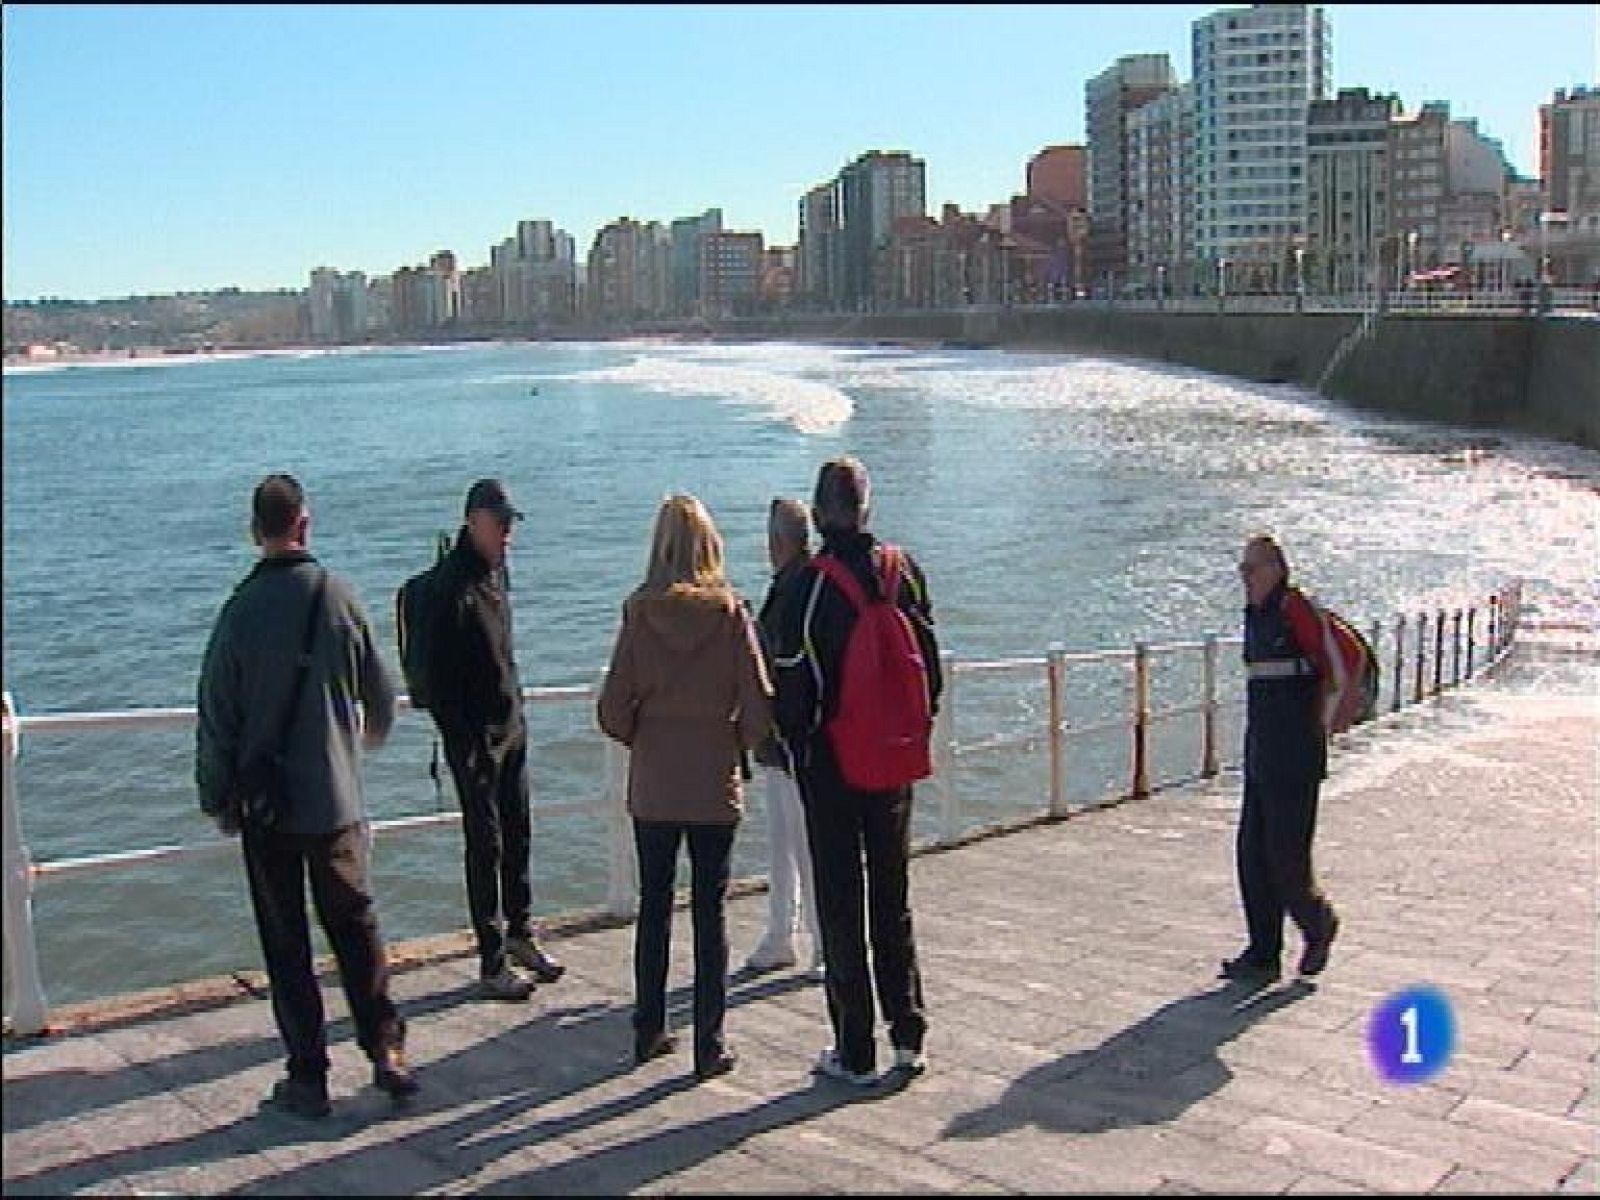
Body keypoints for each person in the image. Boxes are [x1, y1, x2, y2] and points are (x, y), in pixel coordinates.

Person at [196, 473, 417, 1119]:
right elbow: (381, 701)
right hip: (336, 802)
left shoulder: (238, 613)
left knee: (287, 942)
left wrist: (216, 799)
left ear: (255, 530)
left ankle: (309, 1076)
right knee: (356, 927)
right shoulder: (338, 597)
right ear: (304, 523)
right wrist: (355, 747)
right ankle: (386, 1052)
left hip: (269, 811)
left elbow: (217, 717)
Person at [773, 457, 942, 1086]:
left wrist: (798, 749)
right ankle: (910, 1033)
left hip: (832, 768)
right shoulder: (905, 573)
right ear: (867, 509)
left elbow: (792, 692)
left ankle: (855, 1050)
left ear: (818, 514)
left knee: (841, 904)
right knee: (892, 897)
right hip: (895, 761)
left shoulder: (808, 587)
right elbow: (933, 669)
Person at [598, 493, 772, 1083]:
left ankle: (648, 1029)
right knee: (710, 913)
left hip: (654, 786)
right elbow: (758, 705)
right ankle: (710, 1042)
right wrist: (731, 742)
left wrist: (645, 733)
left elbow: (612, 709)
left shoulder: (638, 615)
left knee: (654, 908)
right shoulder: (729, 614)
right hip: (712, 785)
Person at [427, 478, 564, 1002]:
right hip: (474, 740)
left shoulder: (496, 574)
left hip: (511, 727)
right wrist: (466, 743)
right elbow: (440, 684)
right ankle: (490, 959)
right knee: (485, 846)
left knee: (519, 833)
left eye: (511, 525)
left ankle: (521, 933)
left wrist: (517, 719)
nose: (508, 534)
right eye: (499, 523)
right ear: (472, 521)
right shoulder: (449, 588)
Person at [1223, 534, 1342, 986]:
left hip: (1295, 751)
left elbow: (1337, 669)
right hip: (1261, 749)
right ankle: (1262, 954)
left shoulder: (1297, 608)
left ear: (1276, 569)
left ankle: (1319, 924)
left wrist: (1328, 727)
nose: (1244, 578)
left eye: (1251, 569)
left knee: (1286, 858)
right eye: (1242, 569)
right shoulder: (1256, 614)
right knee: (1251, 853)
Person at [743, 497, 825, 978]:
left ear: (778, 541)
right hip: (781, 742)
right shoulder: (799, 584)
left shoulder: (797, 587)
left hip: (792, 741)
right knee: (781, 841)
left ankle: (817, 940)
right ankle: (781, 933)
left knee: (801, 842)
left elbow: (783, 660)